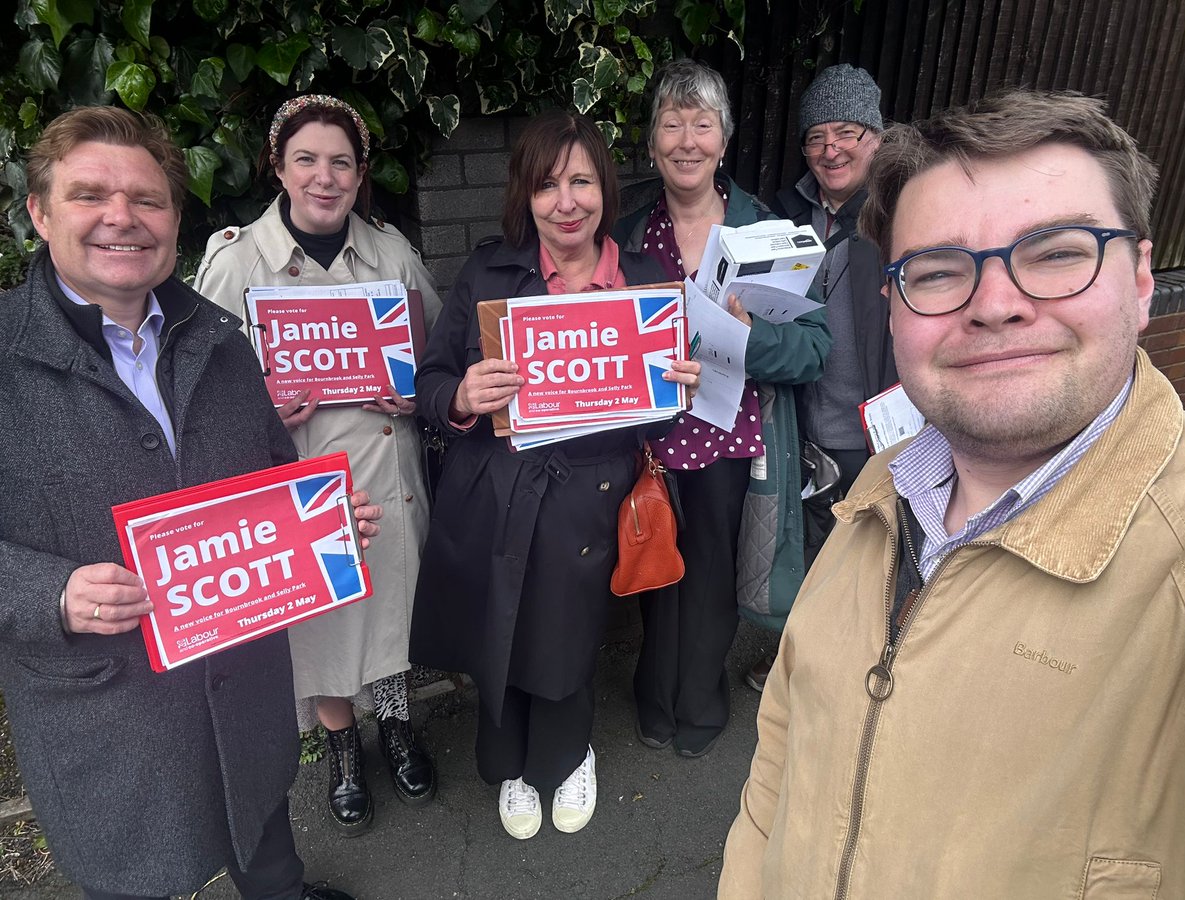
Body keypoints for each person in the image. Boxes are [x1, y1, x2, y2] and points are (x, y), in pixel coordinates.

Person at [720, 90, 1185, 898]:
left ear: (1144, 278)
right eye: (939, 271)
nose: (996, 304)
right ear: (894, 306)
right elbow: (779, 761)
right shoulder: (880, 491)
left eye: (1056, 253)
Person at [0, 106, 381, 900]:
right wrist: (50, 593)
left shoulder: (220, 336)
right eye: (89, 195)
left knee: (267, 843)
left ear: (175, 218)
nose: (121, 218)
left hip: (241, 680)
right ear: (38, 211)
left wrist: (323, 524)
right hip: (111, 710)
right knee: (135, 873)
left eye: (147, 199)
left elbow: (275, 473)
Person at [411, 110, 701, 840]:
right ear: (525, 195)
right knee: (501, 630)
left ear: (604, 186)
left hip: (592, 491)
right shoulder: (488, 270)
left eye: (580, 180)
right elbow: (431, 380)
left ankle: (568, 756)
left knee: (569, 635)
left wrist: (676, 394)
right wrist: (462, 397)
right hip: (499, 490)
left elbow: (656, 423)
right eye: (547, 185)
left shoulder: (643, 281)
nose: (565, 201)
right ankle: (511, 764)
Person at [193, 94, 441, 835]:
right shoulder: (237, 261)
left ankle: (397, 726)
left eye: (341, 162)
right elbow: (200, 400)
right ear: (279, 165)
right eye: (307, 159)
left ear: (361, 174)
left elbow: (436, 354)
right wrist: (260, 404)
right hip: (300, 489)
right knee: (324, 625)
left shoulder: (391, 252)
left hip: (390, 480)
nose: (324, 177)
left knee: (393, 612)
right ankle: (342, 748)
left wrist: (419, 387)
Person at [613, 59, 830, 757]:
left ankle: (699, 700)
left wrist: (749, 337)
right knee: (653, 570)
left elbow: (814, 348)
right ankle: (654, 693)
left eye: (701, 124)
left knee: (707, 574)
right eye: (671, 124)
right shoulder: (623, 235)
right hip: (646, 437)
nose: (686, 140)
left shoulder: (765, 229)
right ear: (652, 144)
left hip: (728, 436)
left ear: (723, 140)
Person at [745, 63, 899, 691]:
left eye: (847, 133)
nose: (830, 149)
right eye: (816, 137)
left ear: (877, 138)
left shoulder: (900, 213)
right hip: (796, 418)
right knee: (805, 548)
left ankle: (868, 671)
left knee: (875, 554)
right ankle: (800, 664)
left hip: (873, 423)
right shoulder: (783, 213)